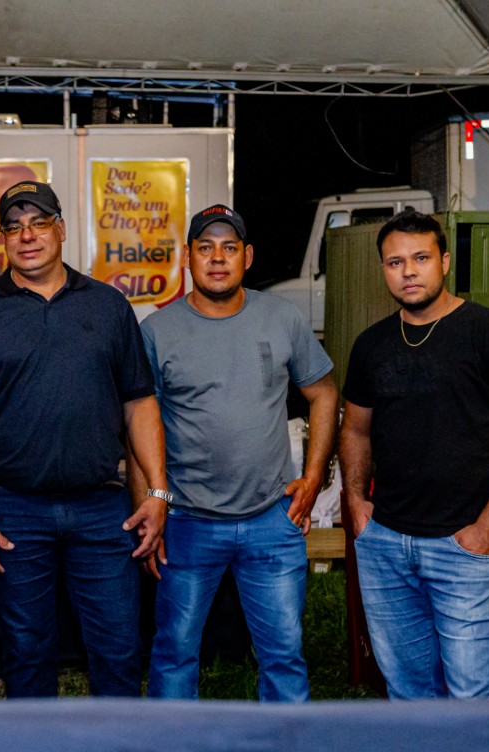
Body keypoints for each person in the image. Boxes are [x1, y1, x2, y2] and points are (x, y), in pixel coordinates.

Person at [0, 180, 170, 699]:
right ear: (2, 238)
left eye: (39, 223)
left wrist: (157, 493)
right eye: (14, 227)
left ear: (61, 229)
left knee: (119, 649)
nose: (27, 236)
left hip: (103, 509)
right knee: (26, 653)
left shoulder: (108, 307)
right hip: (11, 510)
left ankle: (118, 743)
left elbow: (139, 403)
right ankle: (36, 742)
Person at [339, 209, 489, 699]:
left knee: (473, 698)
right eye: (395, 262)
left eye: (420, 258)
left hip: (465, 550)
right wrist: (355, 502)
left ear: (445, 261)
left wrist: (487, 529)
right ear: (383, 269)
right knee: (408, 694)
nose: (408, 271)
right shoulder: (371, 344)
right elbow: (355, 430)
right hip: (387, 546)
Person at [131, 205, 337, 702]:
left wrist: (313, 477)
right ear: (187, 258)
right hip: (186, 520)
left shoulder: (282, 317)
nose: (217, 258)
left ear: (248, 256)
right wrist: (151, 509)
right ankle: (175, 743)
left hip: (272, 518)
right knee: (174, 651)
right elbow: (138, 426)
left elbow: (325, 393)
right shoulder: (157, 331)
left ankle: (284, 741)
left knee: (283, 653)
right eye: (205, 248)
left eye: (229, 248)